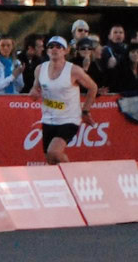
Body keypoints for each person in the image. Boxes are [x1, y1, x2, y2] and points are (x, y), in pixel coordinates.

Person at [31, 36, 98, 165]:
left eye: (58, 47)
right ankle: (59, 183)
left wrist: (86, 110)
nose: (54, 49)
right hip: (49, 118)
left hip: (69, 119)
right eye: (51, 47)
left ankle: (72, 176)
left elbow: (93, 87)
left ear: (66, 51)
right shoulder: (40, 69)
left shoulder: (74, 70)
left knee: (54, 152)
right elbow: (35, 89)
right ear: (47, 50)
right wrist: (34, 92)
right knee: (50, 159)